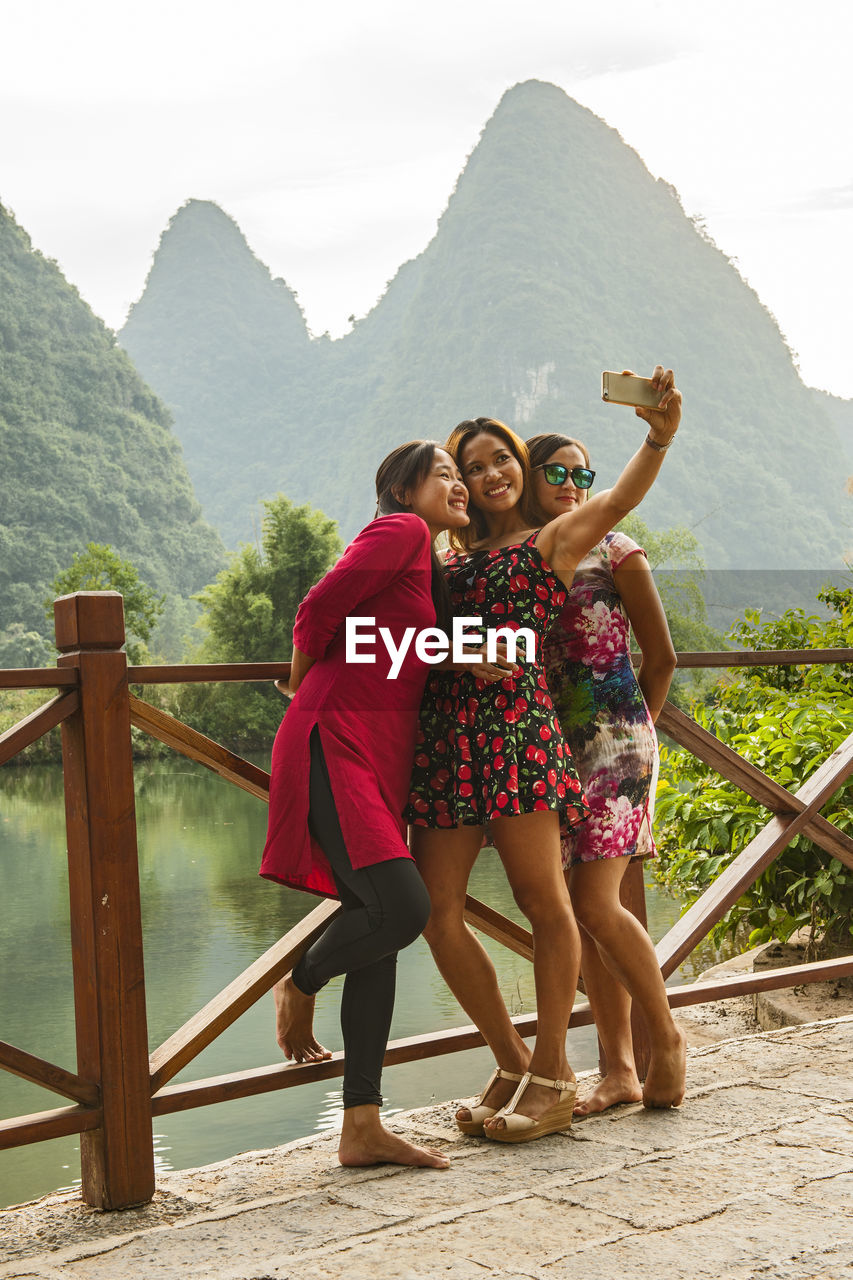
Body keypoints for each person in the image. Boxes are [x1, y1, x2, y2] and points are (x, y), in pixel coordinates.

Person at [406, 365, 682, 1143]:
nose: (489, 473)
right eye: (470, 466)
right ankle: (513, 1059)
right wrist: (452, 649)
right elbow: (392, 641)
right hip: (453, 746)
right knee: (438, 911)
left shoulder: (550, 542)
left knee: (563, 906)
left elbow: (619, 501)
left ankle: (568, 1067)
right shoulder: (437, 561)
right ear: (450, 485)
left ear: (518, 469)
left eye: (501, 459)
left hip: (541, 742)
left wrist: (657, 436)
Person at [260, 440, 474, 1171]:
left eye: (459, 475)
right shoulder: (402, 532)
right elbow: (317, 608)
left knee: (379, 929)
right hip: (334, 740)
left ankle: (361, 1125)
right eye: (443, 473)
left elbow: (400, 643)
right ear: (400, 488)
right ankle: (299, 980)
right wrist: (299, 679)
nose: (459, 484)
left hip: (374, 756)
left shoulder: (427, 559)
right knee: (403, 910)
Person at [527, 430, 687, 1113]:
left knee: (593, 904)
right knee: (580, 911)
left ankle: (667, 1039)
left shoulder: (615, 551)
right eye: (557, 471)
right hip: (546, 752)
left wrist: (629, 737)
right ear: (529, 478)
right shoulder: (518, 558)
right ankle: (617, 1069)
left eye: (582, 473)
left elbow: (662, 657)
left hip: (615, 744)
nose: (571, 482)